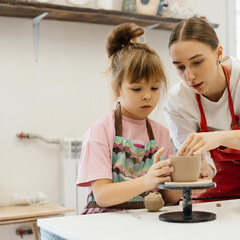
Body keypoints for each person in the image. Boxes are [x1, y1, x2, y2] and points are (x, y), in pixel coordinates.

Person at [163, 17, 240, 200]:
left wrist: (218, 137)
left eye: (197, 62)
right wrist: (202, 169)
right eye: (180, 67)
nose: (190, 76)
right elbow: (203, 163)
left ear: (218, 53)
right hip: (210, 195)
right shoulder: (176, 101)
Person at [76, 23, 181, 214]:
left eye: (154, 88)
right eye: (137, 89)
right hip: (104, 224)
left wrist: (183, 179)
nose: (147, 96)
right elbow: (103, 195)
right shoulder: (102, 129)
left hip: (145, 223)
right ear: (117, 89)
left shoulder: (161, 134)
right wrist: (146, 181)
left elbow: (168, 198)